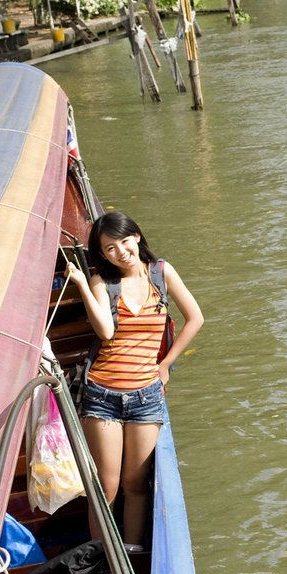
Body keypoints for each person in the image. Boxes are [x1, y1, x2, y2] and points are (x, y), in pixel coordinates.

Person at [66, 211, 202, 550]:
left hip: (146, 395)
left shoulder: (162, 273)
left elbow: (195, 318)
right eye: (109, 248)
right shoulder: (102, 281)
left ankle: (131, 549)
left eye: (124, 242)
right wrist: (83, 284)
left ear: (137, 237)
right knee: (107, 487)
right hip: (103, 395)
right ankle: (100, 557)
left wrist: (167, 364)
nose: (120, 252)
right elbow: (106, 331)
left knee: (136, 482)